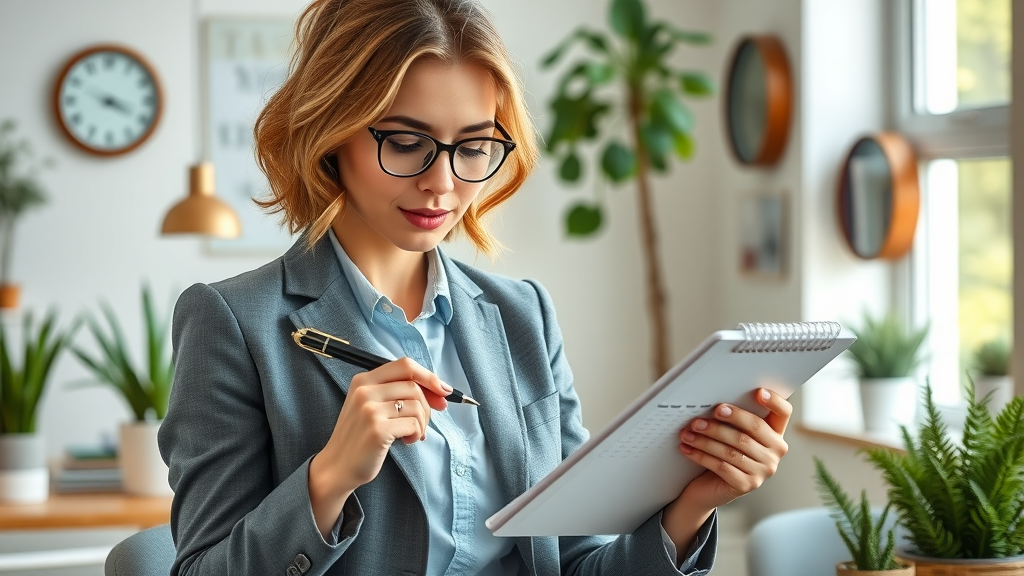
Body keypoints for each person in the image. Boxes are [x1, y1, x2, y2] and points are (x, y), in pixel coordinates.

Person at [158, 0, 792, 574]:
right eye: (406, 143)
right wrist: (328, 480)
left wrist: (693, 507)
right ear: (331, 133)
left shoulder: (522, 315)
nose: (443, 183)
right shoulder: (233, 322)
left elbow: (575, 561)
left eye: (473, 147)